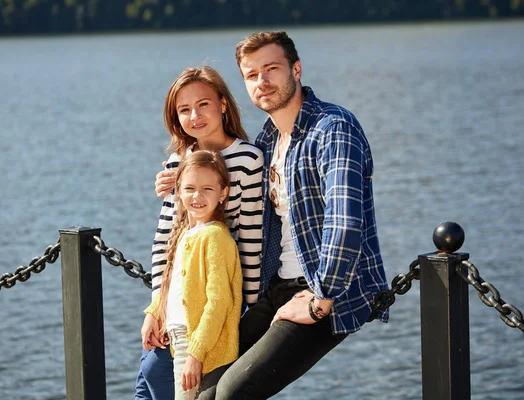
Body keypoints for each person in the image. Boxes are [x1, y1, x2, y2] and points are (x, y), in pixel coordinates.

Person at [157, 31, 390, 399]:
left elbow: (345, 224)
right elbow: (226, 187)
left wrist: (319, 302)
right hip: (279, 288)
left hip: (326, 292)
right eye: (251, 75)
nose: (262, 82)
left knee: (230, 393)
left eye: (272, 69)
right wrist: (184, 171)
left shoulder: (333, 129)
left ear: (296, 70)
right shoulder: (268, 140)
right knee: (205, 388)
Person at [136, 66, 264, 400]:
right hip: (176, 300)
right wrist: (156, 304)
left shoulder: (249, 159)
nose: (195, 116)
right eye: (184, 109)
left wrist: (245, 309)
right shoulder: (178, 160)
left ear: (223, 104)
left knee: (169, 380)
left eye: (203, 104)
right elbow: (167, 238)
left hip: (215, 301)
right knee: (146, 379)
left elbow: (251, 237)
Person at [142, 149, 244, 399]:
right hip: (179, 338)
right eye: (189, 188)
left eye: (207, 189)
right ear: (178, 190)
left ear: (223, 193)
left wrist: (196, 354)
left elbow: (219, 301)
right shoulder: (186, 233)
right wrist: (154, 312)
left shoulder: (215, 237)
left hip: (198, 344)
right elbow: (176, 284)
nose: (197, 196)